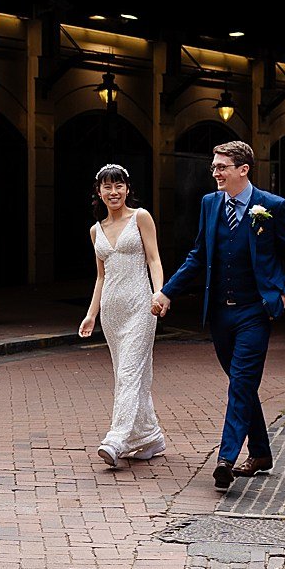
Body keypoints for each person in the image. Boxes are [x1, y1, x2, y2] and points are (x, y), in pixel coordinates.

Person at [152, 140, 285, 489]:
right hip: (221, 314)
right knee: (243, 384)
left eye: (221, 166)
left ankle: (226, 459)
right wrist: (167, 291)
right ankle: (262, 452)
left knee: (240, 384)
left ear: (243, 169)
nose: (215, 172)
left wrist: (284, 297)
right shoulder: (210, 204)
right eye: (214, 166)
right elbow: (197, 256)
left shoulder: (272, 206)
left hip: (255, 312)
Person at [77, 164, 168, 468]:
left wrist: (159, 292)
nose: (113, 192)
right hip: (113, 313)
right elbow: (100, 277)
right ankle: (149, 436)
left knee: (129, 373)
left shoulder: (140, 217)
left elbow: (154, 259)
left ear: (127, 189)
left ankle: (117, 438)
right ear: (99, 192)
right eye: (107, 187)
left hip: (141, 306)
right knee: (129, 374)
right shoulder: (96, 230)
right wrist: (91, 315)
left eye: (119, 186)